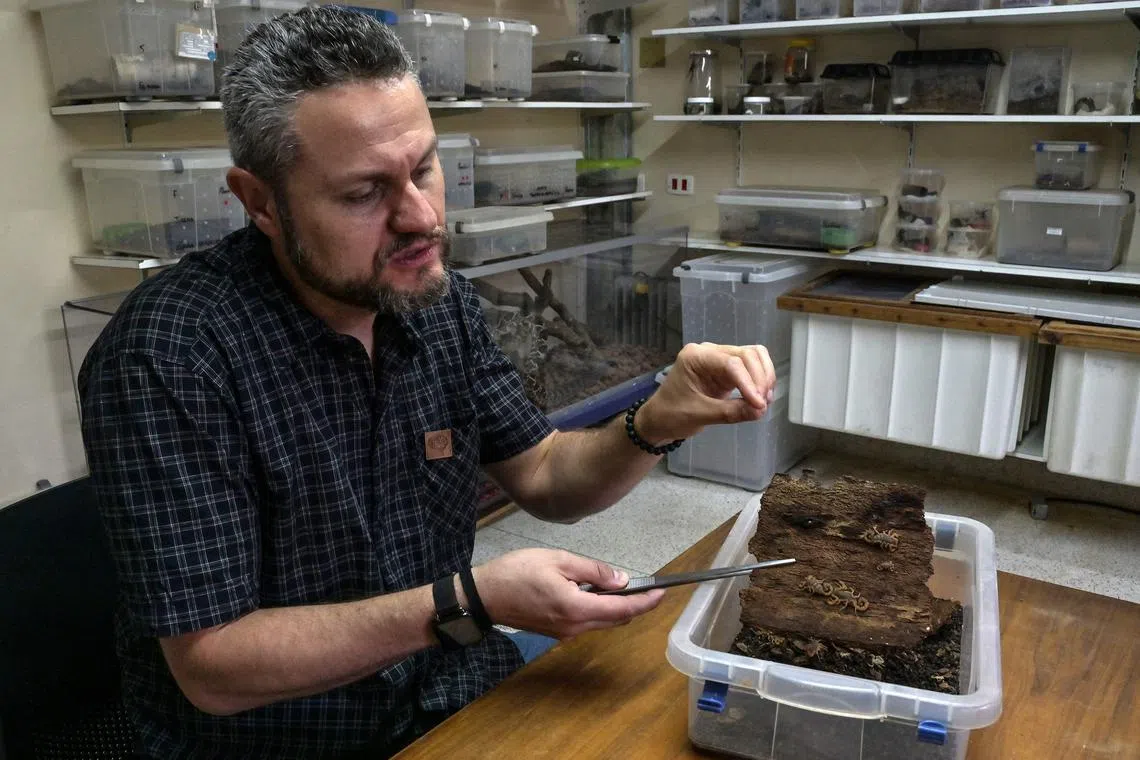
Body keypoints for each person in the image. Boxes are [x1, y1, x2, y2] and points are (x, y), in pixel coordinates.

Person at [78, 7, 776, 759]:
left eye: (424, 169)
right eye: (363, 194)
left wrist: (660, 417)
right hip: (283, 740)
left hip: (454, 691)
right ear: (259, 203)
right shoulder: (168, 357)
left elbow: (543, 474)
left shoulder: (433, 301)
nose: (421, 218)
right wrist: (466, 601)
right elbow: (211, 667)